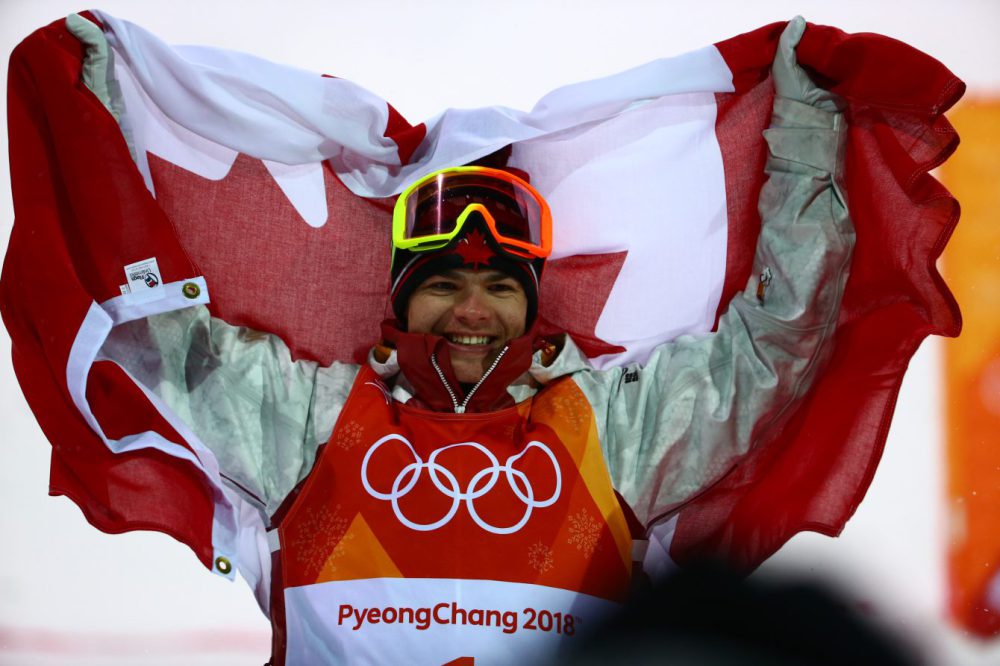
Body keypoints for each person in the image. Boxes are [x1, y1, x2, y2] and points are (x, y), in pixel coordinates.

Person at [87, 16, 850, 665]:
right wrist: (98, 120)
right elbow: (159, 338)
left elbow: (773, 342)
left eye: (500, 288)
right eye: (444, 286)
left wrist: (804, 141)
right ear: (401, 301)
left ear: (531, 305)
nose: (472, 311)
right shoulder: (308, 423)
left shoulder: (616, 429)